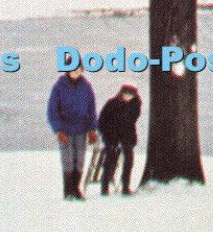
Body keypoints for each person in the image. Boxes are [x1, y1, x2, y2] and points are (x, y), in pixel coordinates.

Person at [47, 66, 99, 201]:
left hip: (81, 129)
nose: (76, 73)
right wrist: (58, 129)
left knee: (79, 160)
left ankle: (76, 189)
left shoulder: (86, 87)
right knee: (68, 160)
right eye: (73, 70)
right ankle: (68, 190)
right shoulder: (59, 87)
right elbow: (52, 110)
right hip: (65, 131)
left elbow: (91, 108)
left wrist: (93, 128)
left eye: (79, 70)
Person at [97, 84, 142, 196]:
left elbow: (132, 120)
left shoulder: (135, 105)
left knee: (129, 161)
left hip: (127, 136)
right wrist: (107, 136)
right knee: (110, 161)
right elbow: (102, 121)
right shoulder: (112, 103)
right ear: (121, 93)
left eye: (131, 95)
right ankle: (104, 187)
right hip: (111, 135)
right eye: (125, 94)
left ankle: (125, 187)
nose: (127, 97)